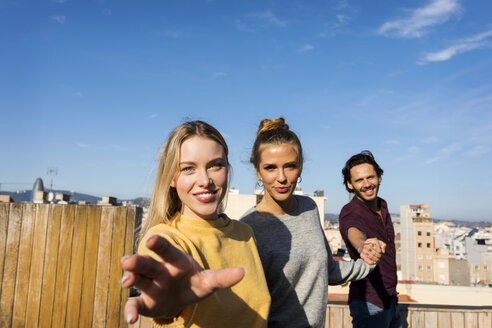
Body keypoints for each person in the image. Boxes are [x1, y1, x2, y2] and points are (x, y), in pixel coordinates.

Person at [121, 120, 271, 327]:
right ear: (171, 178)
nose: (205, 180)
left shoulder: (245, 233)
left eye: (215, 165)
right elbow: (166, 306)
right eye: (188, 168)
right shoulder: (164, 240)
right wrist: (166, 307)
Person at [240, 118, 385, 328]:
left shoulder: (308, 207)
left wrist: (368, 262)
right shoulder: (247, 228)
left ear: (300, 167)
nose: (281, 178)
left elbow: (328, 271)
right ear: (257, 171)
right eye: (270, 167)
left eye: (289, 166)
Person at [339, 151, 401, 328]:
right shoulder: (350, 211)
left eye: (370, 177)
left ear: (379, 177)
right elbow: (352, 230)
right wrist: (363, 247)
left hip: (390, 300)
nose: (367, 184)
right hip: (369, 304)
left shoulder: (383, 204)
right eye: (359, 180)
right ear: (350, 185)